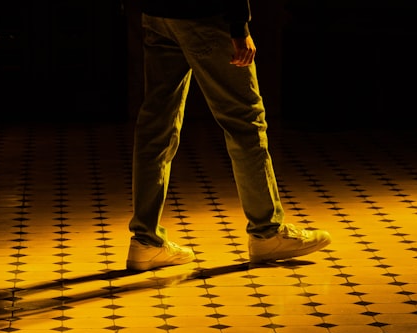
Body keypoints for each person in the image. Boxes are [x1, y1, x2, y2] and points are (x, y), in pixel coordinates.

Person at [126, 0, 331, 271]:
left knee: (156, 126)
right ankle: (266, 231)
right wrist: (239, 26)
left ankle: (145, 240)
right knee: (245, 121)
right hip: (206, 15)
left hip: (156, 13)